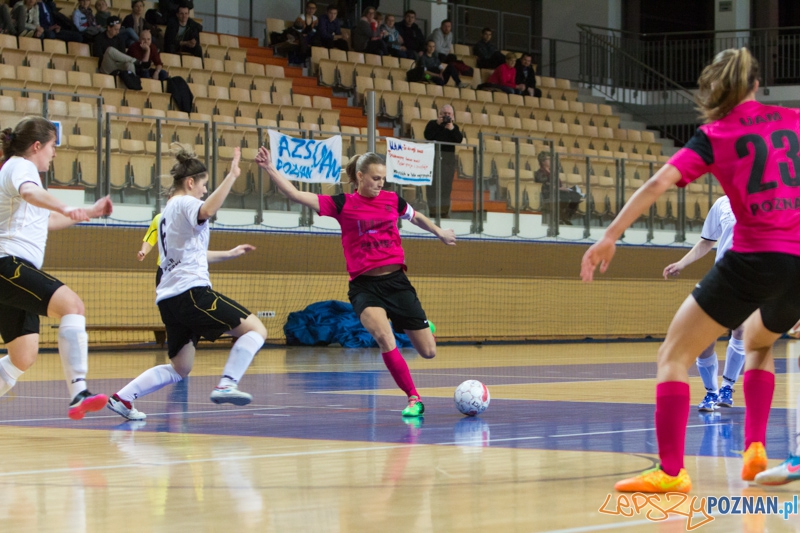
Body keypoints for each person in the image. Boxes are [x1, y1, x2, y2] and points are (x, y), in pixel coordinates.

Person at [581, 47, 800, 493]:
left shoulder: (715, 133)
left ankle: (671, 471)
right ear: (758, 85)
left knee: (674, 355)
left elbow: (658, 183)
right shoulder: (793, 120)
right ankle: (754, 447)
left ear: (715, 89)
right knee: (758, 341)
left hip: (754, 256)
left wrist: (611, 235)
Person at [256, 148, 456, 417]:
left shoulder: (392, 200)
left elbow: (415, 216)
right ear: (360, 177)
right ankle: (413, 399)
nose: (380, 183)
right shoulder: (342, 204)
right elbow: (296, 194)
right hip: (365, 287)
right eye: (375, 178)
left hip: (397, 283)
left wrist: (439, 232)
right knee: (384, 338)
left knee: (428, 352)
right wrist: (269, 168)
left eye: (383, 179)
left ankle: (420, 326)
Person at [107, 146, 266, 421]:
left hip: (170, 299)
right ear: (191, 182)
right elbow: (207, 209)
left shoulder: (168, 211)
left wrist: (229, 253)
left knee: (180, 368)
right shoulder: (185, 203)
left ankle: (122, 397)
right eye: (204, 184)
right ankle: (227, 383)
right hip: (191, 293)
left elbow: (189, 254)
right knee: (256, 330)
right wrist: (232, 176)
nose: (204, 190)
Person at [0, 116, 113, 420]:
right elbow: (30, 194)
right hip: (7, 264)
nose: (54, 153)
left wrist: (89, 211)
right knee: (73, 306)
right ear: (37, 146)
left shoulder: (20, 171)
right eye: (52, 146)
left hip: (11, 272)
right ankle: (79, 393)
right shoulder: (21, 166)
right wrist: (63, 204)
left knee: (22, 357)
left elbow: (46, 222)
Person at [662, 195, 746, 412]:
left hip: (750, 279)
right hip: (722, 277)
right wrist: (682, 262)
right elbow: (707, 241)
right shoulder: (722, 204)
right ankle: (711, 392)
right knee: (703, 340)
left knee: (740, 331)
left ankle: (727, 387)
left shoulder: (764, 198)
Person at [424, 105, 462, 219]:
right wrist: (438, 125)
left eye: (449, 114)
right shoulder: (432, 124)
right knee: (432, 188)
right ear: (439, 115)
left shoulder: (454, 127)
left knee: (446, 188)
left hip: (448, 163)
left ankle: (444, 213)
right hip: (433, 161)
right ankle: (433, 211)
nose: (446, 116)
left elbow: (459, 140)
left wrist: (451, 128)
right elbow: (428, 136)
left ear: (453, 117)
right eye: (444, 113)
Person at [534, 152, 582, 224]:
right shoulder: (540, 172)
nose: (552, 161)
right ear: (543, 161)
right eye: (549, 159)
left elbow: (559, 184)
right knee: (564, 196)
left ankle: (566, 216)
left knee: (576, 195)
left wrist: (563, 188)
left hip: (558, 191)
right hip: (548, 193)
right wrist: (559, 188)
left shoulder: (553, 172)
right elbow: (545, 184)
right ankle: (560, 217)